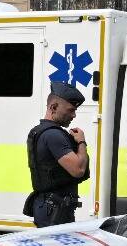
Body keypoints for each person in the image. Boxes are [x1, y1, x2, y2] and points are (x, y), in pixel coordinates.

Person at [25, 82, 91, 227]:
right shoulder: (54, 135)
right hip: (54, 211)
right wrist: (81, 142)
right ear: (53, 107)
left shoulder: (40, 131)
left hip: (51, 208)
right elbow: (78, 170)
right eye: (70, 110)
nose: (74, 115)